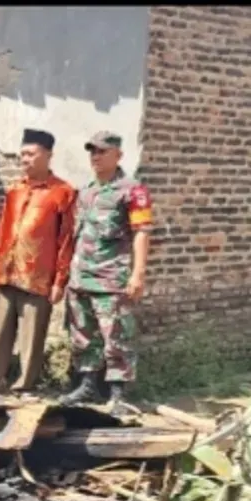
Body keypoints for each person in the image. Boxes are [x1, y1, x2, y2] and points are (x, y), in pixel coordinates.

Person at [0, 129, 77, 392]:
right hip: (4, 271)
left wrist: (59, 281)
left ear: (48, 155)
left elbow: (66, 240)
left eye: (31, 154)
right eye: (22, 155)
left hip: (37, 275)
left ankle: (25, 384)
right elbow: (0, 231)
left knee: (32, 335)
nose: (25, 159)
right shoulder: (15, 191)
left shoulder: (62, 192)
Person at [59, 131, 153, 411]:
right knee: (83, 336)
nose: (96, 157)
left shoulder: (132, 191)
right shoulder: (87, 190)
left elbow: (142, 233)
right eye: (92, 152)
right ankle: (88, 387)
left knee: (117, 337)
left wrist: (137, 274)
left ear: (118, 155)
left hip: (112, 278)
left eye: (102, 151)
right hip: (81, 276)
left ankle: (118, 395)